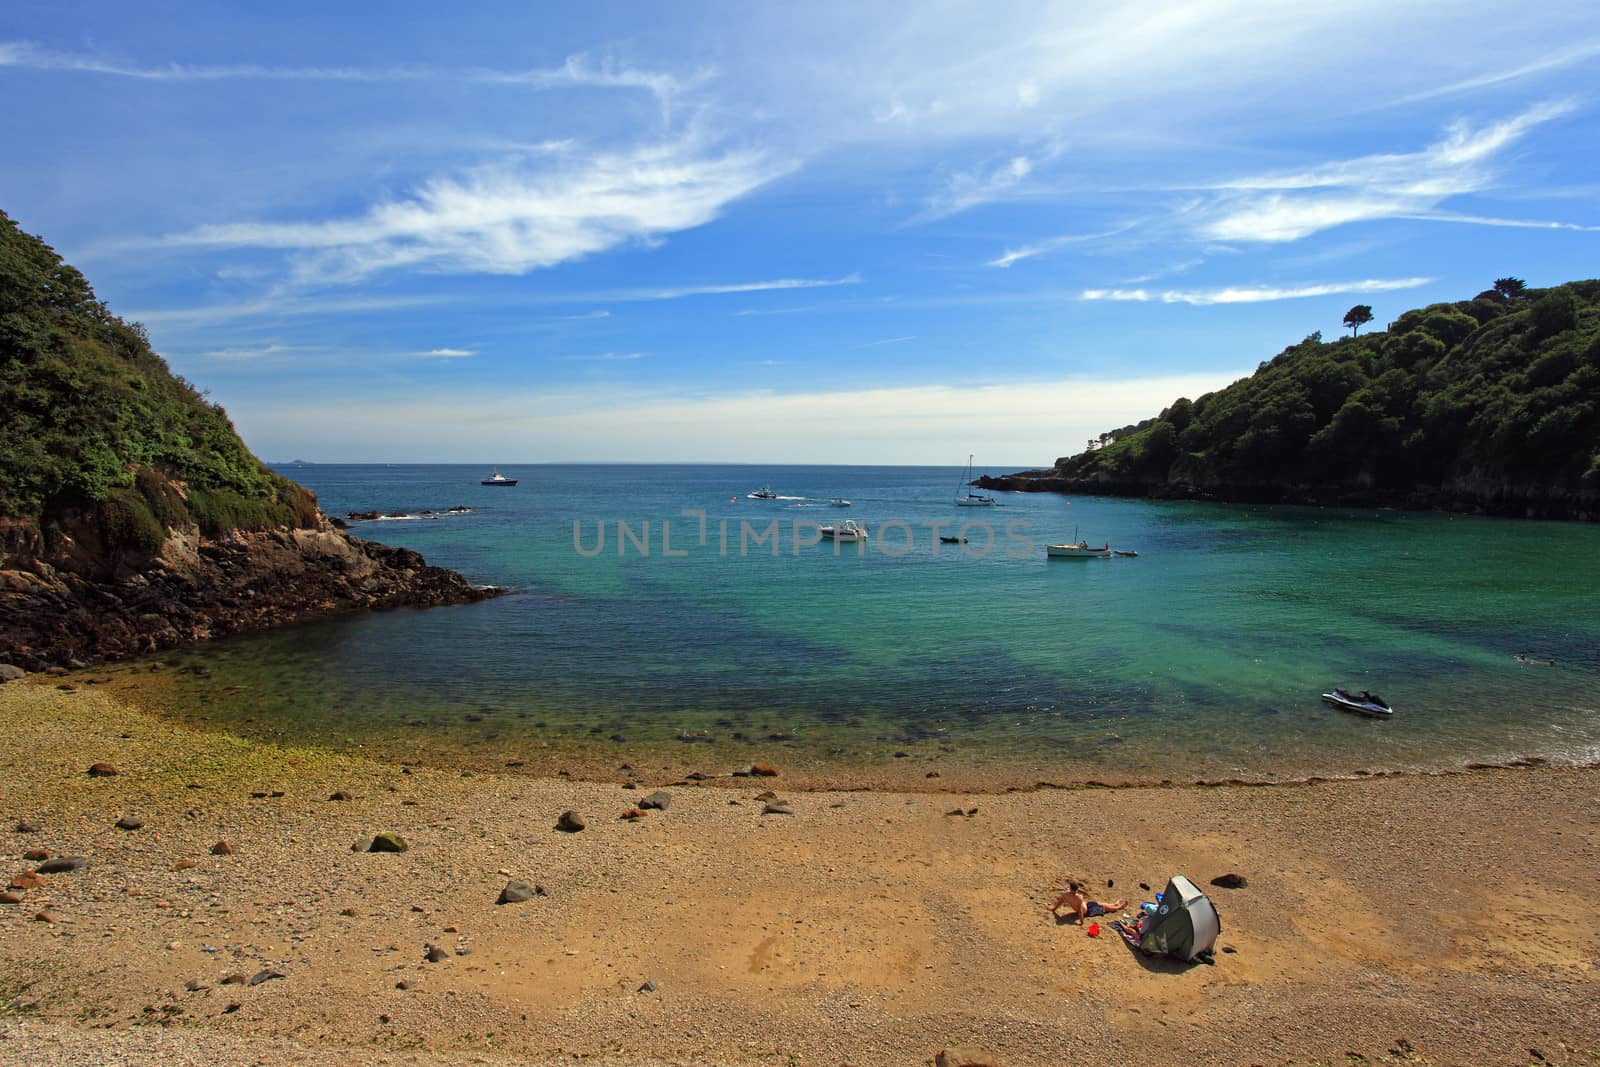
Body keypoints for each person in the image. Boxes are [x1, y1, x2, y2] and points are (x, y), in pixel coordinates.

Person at [1050, 881, 1127, 921]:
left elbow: (1059, 902)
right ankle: (1119, 906)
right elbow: (1080, 911)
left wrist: (1053, 909)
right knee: (1108, 908)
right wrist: (1082, 923)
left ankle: (1115, 904)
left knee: (1103, 904)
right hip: (1089, 911)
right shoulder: (1079, 897)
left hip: (1088, 905)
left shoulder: (1066, 894)